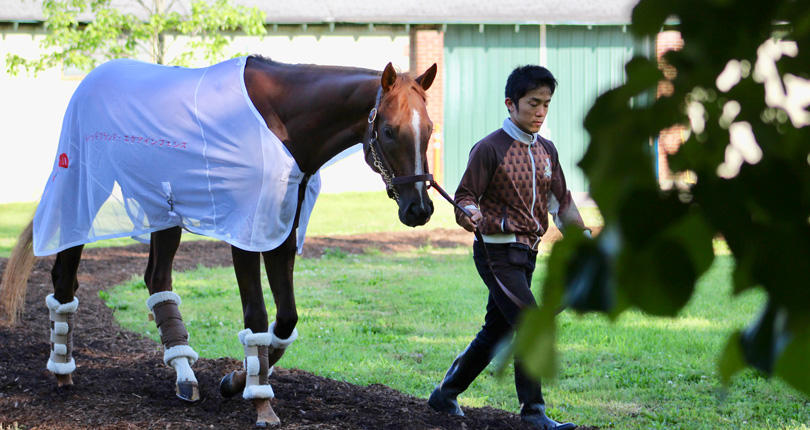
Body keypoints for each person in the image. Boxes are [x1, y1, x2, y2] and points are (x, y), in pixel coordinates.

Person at [427, 65, 589, 430]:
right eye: (533, 103)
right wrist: (468, 213)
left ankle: (444, 395)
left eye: (546, 104)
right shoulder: (489, 148)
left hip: (527, 255)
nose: (540, 112)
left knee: (497, 331)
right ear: (510, 104)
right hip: (496, 255)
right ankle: (533, 413)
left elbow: (561, 204)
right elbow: (465, 197)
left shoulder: (547, 151)